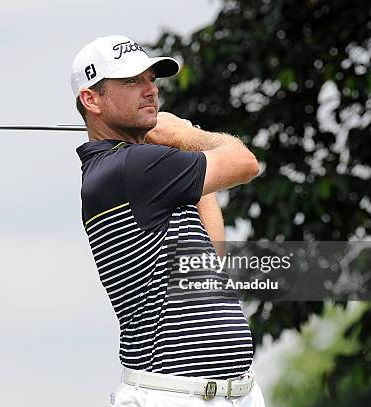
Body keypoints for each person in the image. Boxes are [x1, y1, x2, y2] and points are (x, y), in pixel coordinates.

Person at [72, 35, 265, 406]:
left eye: (151, 80)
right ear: (91, 100)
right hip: (172, 394)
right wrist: (185, 134)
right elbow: (245, 162)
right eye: (131, 82)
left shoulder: (138, 169)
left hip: (228, 394)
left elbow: (213, 255)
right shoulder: (131, 167)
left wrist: (182, 147)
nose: (149, 91)